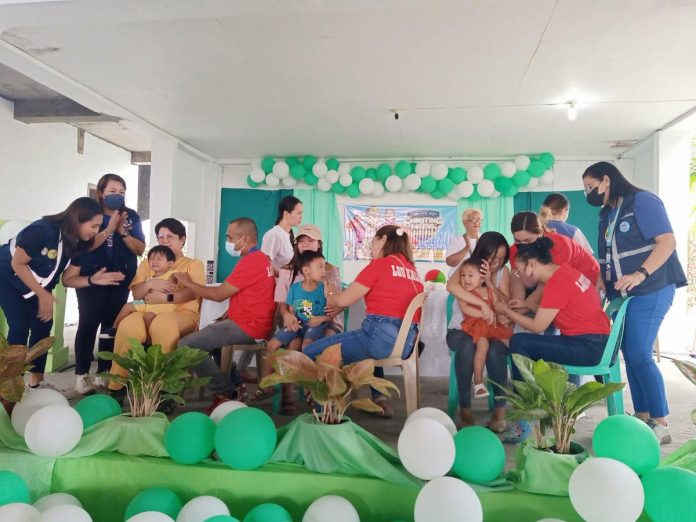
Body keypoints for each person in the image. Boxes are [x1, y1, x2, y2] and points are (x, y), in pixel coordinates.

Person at [583, 161, 687, 444]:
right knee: (630, 354)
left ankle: (661, 422)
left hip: (652, 287)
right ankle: (642, 419)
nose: (588, 193)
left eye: (591, 187)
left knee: (640, 353)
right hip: (624, 293)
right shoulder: (607, 213)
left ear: (607, 180)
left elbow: (667, 242)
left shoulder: (642, 201)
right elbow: (606, 252)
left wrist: (640, 274)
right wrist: (603, 278)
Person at [0, 197, 125, 387]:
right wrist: (42, 294)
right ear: (77, 219)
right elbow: (17, 263)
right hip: (7, 276)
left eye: (99, 227)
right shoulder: (41, 230)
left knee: (43, 326)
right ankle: (8, 385)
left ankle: (36, 382)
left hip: (38, 285)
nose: (95, 231)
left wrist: (92, 280)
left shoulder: (79, 244)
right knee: (19, 325)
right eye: (93, 225)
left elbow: (68, 279)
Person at [303, 225, 424, 416]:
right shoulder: (412, 270)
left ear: (383, 240)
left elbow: (343, 300)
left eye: (373, 241)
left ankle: (322, 414)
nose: (370, 246)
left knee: (311, 351)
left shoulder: (380, 265)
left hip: (379, 339)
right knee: (345, 346)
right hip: (408, 343)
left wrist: (330, 295)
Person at [174, 218, 275, 413]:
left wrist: (188, 282)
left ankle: (227, 392)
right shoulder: (261, 258)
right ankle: (236, 383)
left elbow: (218, 295)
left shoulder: (252, 261)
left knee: (186, 345)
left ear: (244, 239)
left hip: (248, 326)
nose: (227, 241)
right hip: (249, 321)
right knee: (211, 337)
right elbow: (253, 294)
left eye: (230, 237)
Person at [106, 218, 205, 403]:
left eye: (170, 236)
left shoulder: (192, 264)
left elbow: (193, 293)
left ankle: (165, 390)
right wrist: (150, 283)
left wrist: (165, 298)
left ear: (182, 239)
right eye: (161, 237)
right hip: (147, 310)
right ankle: (116, 387)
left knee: (163, 324)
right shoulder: (149, 262)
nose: (165, 241)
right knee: (128, 325)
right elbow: (136, 291)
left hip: (183, 314)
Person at [63, 174, 146, 394]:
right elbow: (85, 247)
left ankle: (103, 371)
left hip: (120, 279)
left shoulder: (131, 217)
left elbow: (139, 249)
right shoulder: (91, 215)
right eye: (112, 191)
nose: (117, 195)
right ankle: (82, 375)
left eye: (121, 192)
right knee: (89, 323)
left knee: (111, 326)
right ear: (101, 192)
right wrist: (109, 229)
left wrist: (123, 231)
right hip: (92, 277)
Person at [497, 237, 610, 370]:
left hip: (588, 347)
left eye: (519, 271)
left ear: (532, 265)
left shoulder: (556, 283)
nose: (519, 276)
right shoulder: (566, 272)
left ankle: (526, 391)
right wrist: (527, 305)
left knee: (519, 342)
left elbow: (538, 326)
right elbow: (557, 310)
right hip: (600, 342)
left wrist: (506, 310)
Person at [446, 231, 511, 431]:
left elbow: (506, 302)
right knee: (466, 346)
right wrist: (483, 306)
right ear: (483, 253)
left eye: (502, 258)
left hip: (492, 330)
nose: (497, 263)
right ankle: (465, 409)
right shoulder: (467, 266)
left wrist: (491, 283)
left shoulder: (502, 272)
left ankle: (499, 411)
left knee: (496, 351)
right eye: (493, 258)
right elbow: (452, 287)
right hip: (461, 329)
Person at [255, 250, 330, 413]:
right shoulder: (295, 288)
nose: (324, 270)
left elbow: (331, 312)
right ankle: (266, 385)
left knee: (307, 347)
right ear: (306, 270)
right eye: (320, 267)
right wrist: (293, 319)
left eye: (324, 266)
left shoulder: (324, 288)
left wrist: (320, 319)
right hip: (298, 324)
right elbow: (290, 307)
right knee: (272, 344)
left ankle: (309, 388)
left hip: (315, 324)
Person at [508, 211, 600, 313]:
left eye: (528, 240)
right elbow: (517, 282)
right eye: (517, 240)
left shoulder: (560, 247)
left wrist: (516, 314)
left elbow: (543, 289)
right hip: (562, 286)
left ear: (540, 233)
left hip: (588, 281)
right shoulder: (514, 250)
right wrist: (516, 307)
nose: (522, 245)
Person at [275, 224, 344, 337]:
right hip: (296, 320)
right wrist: (287, 315)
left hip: (326, 322)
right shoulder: (286, 270)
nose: (305, 244)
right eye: (301, 241)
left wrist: (324, 318)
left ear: (318, 245)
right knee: (293, 342)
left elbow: (338, 304)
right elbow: (282, 303)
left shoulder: (331, 270)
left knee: (326, 339)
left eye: (311, 240)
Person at [457, 257, 512, 398]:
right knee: (483, 344)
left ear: (481, 278)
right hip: (476, 325)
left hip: (492, 325)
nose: (466, 279)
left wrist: (501, 316)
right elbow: (465, 309)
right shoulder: (464, 293)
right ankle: (478, 381)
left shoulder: (489, 291)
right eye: (463, 275)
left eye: (470, 275)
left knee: (510, 342)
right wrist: (485, 314)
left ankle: (524, 376)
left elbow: (497, 306)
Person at [107, 245, 177, 334]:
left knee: (148, 317)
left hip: (162, 305)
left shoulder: (173, 275)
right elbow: (140, 294)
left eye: (159, 259)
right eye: (151, 259)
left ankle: (149, 339)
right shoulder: (150, 278)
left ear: (170, 264)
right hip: (146, 303)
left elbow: (176, 290)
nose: (155, 261)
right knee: (127, 306)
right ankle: (114, 329)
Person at [261, 195, 303, 274]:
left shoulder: (289, 235)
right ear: (286, 214)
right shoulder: (274, 235)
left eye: (301, 213)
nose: (301, 217)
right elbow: (264, 263)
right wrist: (283, 276)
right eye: (298, 213)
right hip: (275, 284)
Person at [445, 208, 482, 275]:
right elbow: (450, 262)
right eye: (473, 219)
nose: (476, 222)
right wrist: (467, 248)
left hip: (478, 281)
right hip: (456, 280)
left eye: (479, 219)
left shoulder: (484, 238)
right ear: (464, 223)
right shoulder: (456, 240)